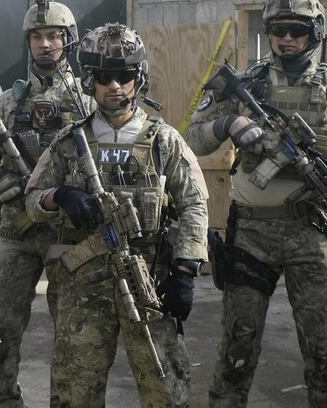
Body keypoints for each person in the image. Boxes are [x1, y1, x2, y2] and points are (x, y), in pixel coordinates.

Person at [187, 0, 327, 408]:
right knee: (237, 346)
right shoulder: (242, 86)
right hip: (250, 236)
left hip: (315, 232)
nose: (287, 38)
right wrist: (229, 124)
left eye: (298, 31)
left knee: (325, 349)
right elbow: (194, 140)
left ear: (315, 34)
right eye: (278, 30)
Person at [25, 22, 208, 407]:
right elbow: (33, 200)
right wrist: (59, 196)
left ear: (138, 78)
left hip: (148, 279)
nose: (115, 86)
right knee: (75, 389)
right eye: (104, 77)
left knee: (165, 384)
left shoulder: (164, 140)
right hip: (83, 283)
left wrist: (186, 269)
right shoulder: (68, 141)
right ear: (89, 80)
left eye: (124, 76)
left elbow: (195, 203)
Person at [0, 0, 95, 407]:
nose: (45, 44)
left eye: (54, 36)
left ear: (69, 40)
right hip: (17, 233)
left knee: (74, 336)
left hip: (69, 236)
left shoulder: (89, 102)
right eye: (37, 37)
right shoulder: (8, 102)